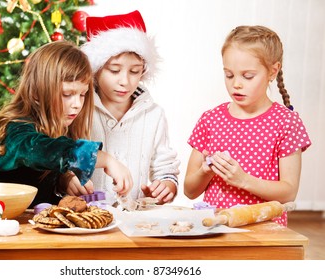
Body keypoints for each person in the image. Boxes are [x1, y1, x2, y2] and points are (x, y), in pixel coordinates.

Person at [0, 40, 133, 207]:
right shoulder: (15, 132)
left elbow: (38, 173)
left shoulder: (56, 127)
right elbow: (42, 150)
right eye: (67, 94)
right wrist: (105, 159)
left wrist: (63, 179)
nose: (76, 104)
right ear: (37, 93)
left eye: (82, 94)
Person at [184, 25, 311, 226]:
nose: (236, 84)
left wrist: (243, 180)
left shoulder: (287, 122)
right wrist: (204, 172)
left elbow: (289, 192)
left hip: (265, 230)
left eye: (248, 76)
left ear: (272, 71)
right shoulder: (210, 119)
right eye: (229, 75)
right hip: (217, 230)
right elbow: (189, 191)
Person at [79, 10, 180, 205]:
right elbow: (62, 157)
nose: (124, 81)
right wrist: (67, 179)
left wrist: (166, 186)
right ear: (97, 68)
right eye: (114, 70)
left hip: (135, 220)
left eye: (135, 71)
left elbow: (165, 168)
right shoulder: (79, 109)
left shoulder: (154, 114)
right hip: (87, 222)